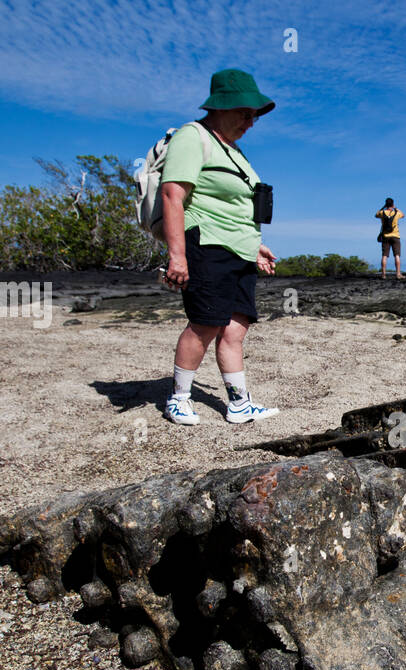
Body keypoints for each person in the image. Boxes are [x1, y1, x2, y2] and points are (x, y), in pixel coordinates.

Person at [161, 68, 278, 426]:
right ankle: (179, 397)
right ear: (222, 107)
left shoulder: (236, 151)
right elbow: (172, 195)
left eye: (254, 116)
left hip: (242, 250)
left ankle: (240, 403)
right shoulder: (192, 136)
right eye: (245, 113)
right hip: (207, 244)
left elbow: (240, 207)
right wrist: (177, 255)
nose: (251, 122)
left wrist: (256, 246)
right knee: (206, 322)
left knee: (235, 328)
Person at [376, 198, 404, 279]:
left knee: (384, 255)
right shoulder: (397, 213)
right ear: (392, 204)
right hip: (395, 236)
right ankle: (398, 274)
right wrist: (395, 208)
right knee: (397, 255)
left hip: (385, 236)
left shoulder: (382, 213)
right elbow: (403, 215)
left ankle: (383, 274)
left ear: (386, 204)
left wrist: (383, 207)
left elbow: (376, 214)